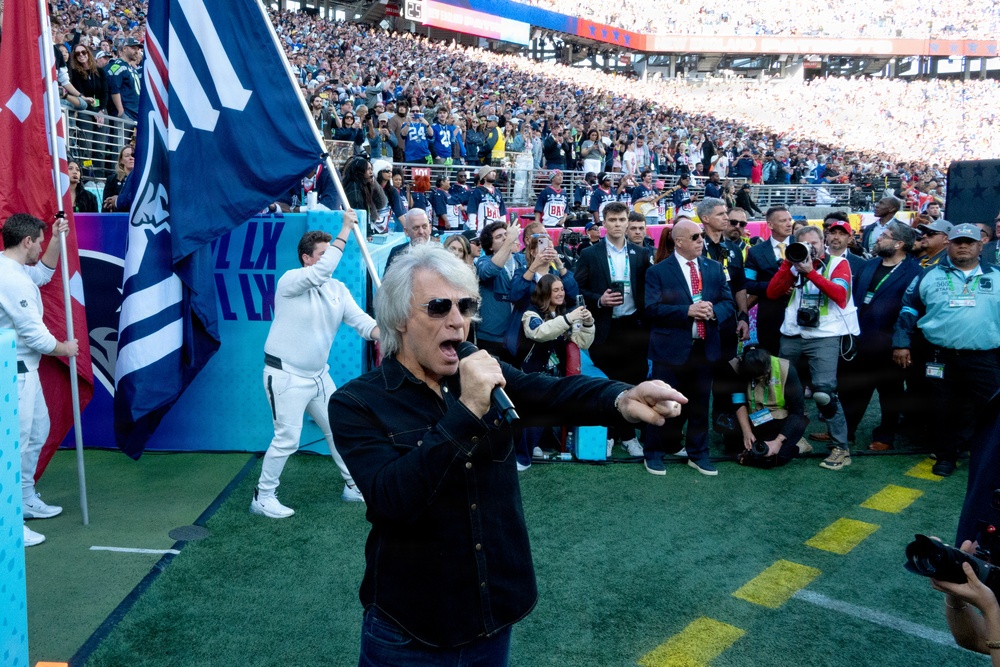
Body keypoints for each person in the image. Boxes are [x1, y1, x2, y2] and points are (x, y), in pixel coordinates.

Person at [327, 243, 686, 666]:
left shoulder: (482, 370)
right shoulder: (357, 403)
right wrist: (466, 412)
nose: (458, 322)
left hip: (492, 612)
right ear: (400, 319)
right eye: (439, 307)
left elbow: (550, 391)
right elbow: (392, 499)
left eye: (465, 305)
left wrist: (622, 397)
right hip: (410, 627)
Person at [251, 215, 379, 518]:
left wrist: (386, 334)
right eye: (321, 254)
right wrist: (345, 229)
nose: (328, 260)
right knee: (287, 439)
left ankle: (352, 485)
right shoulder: (290, 281)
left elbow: (361, 322)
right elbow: (322, 271)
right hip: (285, 375)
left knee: (338, 429)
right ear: (306, 259)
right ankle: (263, 496)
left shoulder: (338, 289)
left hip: (319, 376)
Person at [893, 224, 1000, 477]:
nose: (963, 246)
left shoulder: (996, 275)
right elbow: (909, 309)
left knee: (992, 410)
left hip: (984, 357)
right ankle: (945, 457)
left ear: (980, 245)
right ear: (948, 244)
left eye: (969, 242)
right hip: (940, 357)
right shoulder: (928, 274)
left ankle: (988, 457)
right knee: (942, 408)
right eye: (957, 241)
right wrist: (900, 343)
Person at [0, 214, 79, 547]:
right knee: (12, 447)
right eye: (40, 241)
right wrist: (66, 348)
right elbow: (35, 335)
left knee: (37, 432)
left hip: (22, 369)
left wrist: (58, 239)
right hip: (12, 369)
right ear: (27, 241)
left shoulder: (14, 268)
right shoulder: (11, 278)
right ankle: (9, 524)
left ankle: (26, 498)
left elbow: (43, 273)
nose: (42, 247)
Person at [643, 218, 736, 476]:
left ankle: (698, 454)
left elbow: (728, 302)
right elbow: (651, 310)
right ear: (679, 241)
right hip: (669, 351)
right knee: (661, 403)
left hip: (704, 349)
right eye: (695, 237)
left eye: (700, 236)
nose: (701, 241)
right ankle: (653, 453)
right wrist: (688, 311)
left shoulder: (714, 269)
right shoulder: (658, 271)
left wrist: (713, 311)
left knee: (699, 406)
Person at [767, 224, 859, 471]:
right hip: (792, 334)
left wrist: (811, 272)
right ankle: (791, 439)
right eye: (804, 244)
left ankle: (840, 447)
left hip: (825, 336)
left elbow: (840, 295)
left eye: (814, 244)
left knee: (824, 392)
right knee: (781, 388)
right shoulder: (793, 264)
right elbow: (772, 292)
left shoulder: (838, 264)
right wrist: (789, 264)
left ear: (823, 242)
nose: (810, 248)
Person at [575, 202, 654, 458]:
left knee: (634, 380)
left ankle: (629, 436)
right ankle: (609, 434)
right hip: (605, 328)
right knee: (609, 382)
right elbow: (576, 290)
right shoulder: (590, 254)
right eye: (612, 220)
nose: (618, 224)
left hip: (633, 325)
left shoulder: (641, 254)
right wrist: (599, 300)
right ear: (604, 223)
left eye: (622, 220)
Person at [838, 223, 921, 452]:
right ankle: (845, 432)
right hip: (860, 341)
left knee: (890, 393)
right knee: (853, 389)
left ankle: (885, 436)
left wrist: (901, 343)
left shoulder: (914, 272)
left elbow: (912, 310)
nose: (878, 239)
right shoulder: (869, 265)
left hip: (890, 345)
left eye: (884, 236)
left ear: (898, 244)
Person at [517, 274, 595, 468]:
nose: (561, 293)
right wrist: (568, 318)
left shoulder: (563, 315)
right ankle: (522, 458)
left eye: (562, 289)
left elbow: (582, 342)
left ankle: (542, 446)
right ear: (545, 292)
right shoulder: (530, 313)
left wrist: (588, 323)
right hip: (532, 375)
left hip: (555, 376)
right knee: (534, 415)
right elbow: (540, 333)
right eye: (556, 290)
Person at [720, 346, 810, 467]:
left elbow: (797, 412)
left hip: (780, 418)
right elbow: (738, 402)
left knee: (772, 459)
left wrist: (778, 441)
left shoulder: (786, 369)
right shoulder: (738, 368)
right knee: (734, 451)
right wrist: (746, 432)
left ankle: (799, 445)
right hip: (753, 416)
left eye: (763, 376)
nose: (760, 379)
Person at [744, 205, 794, 355]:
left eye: (789, 220)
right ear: (770, 225)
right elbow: (749, 284)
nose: (788, 224)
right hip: (770, 319)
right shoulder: (756, 252)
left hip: (801, 320)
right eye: (783, 221)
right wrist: (776, 287)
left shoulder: (803, 246)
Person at [341, 157, 388, 234]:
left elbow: (381, 203)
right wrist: (368, 233)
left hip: (365, 228)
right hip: (358, 231)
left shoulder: (365, 185)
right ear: (359, 171)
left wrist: (373, 182)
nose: (371, 172)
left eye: (371, 169)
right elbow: (358, 213)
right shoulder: (354, 187)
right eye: (368, 169)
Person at [466, 164, 507, 232]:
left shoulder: (498, 192)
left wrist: (504, 227)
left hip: (497, 230)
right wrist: (472, 229)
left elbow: (502, 212)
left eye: (494, 172)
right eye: (490, 172)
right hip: (483, 231)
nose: (494, 174)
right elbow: (472, 211)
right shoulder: (478, 191)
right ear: (484, 176)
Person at [102, 144, 134, 211]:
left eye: (133, 155)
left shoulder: (142, 179)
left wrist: (118, 200)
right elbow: (105, 205)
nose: (131, 158)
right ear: (121, 160)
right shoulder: (112, 179)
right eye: (127, 156)